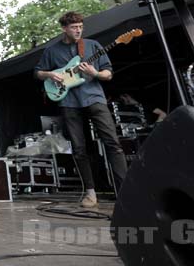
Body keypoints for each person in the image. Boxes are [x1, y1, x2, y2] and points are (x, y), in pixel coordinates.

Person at [34, 11, 127, 208]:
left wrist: (95, 73)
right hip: (68, 101)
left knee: (112, 142)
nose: (78, 30)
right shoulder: (52, 51)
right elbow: (38, 73)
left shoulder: (92, 46)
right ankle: (90, 193)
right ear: (64, 29)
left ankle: (126, 191)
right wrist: (50, 74)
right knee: (79, 148)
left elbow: (108, 74)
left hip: (94, 97)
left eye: (80, 27)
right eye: (74, 27)